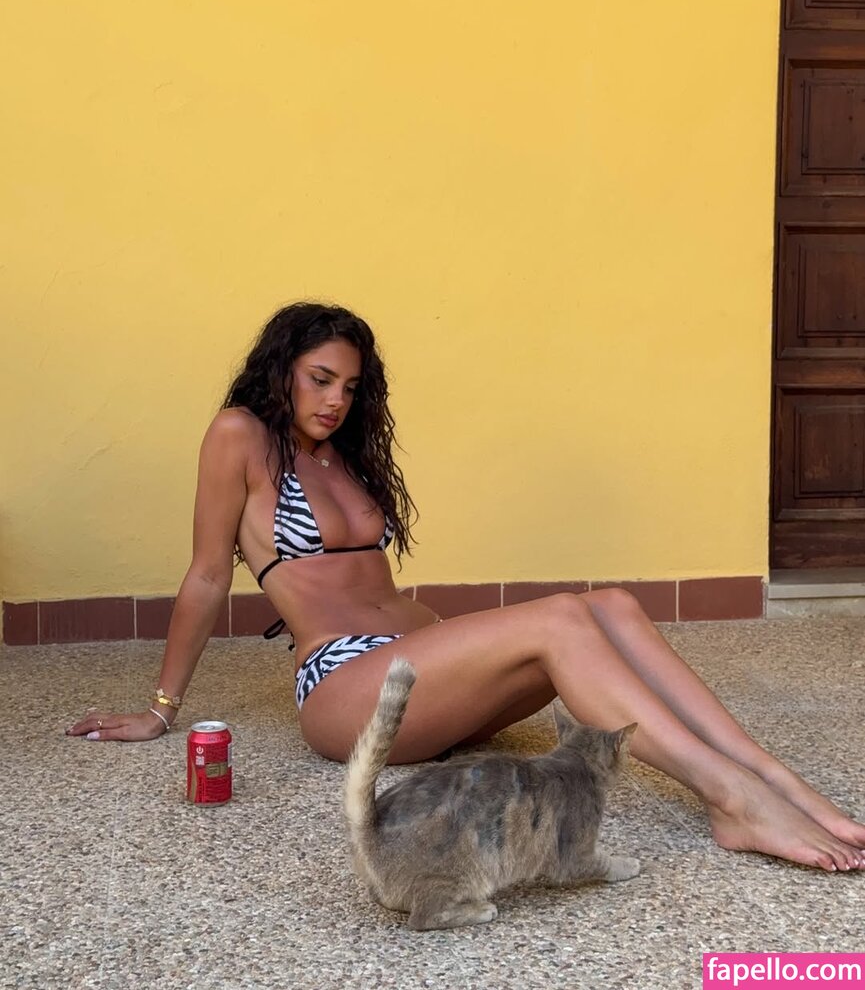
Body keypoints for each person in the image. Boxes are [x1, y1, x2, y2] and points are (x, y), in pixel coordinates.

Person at [67, 302, 865, 873]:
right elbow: (209, 573)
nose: (336, 400)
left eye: (350, 386)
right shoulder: (239, 434)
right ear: (281, 370)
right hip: (346, 686)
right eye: (319, 379)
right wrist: (160, 708)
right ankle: (731, 799)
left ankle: (769, 777)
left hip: (420, 673)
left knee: (612, 605)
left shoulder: (342, 454)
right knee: (561, 618)